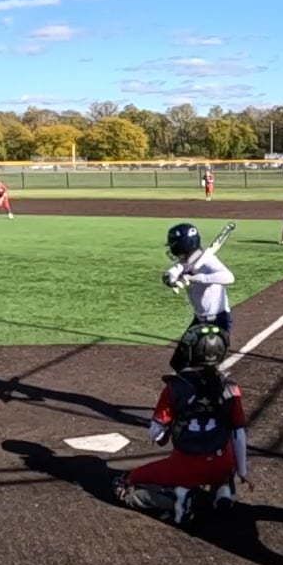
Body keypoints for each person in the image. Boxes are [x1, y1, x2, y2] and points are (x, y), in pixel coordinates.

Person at [114, 324, 248, 526]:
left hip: (186, 465)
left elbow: (156, 432)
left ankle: (178, 498)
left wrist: (165, 433)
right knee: (226, 433)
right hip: (223, 464)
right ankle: (224, 489)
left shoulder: (176, 386)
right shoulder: (231, 388)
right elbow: (239, 433)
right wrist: (242, 472)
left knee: (126, 483)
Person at [162, 222, 235, 339]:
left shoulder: (209, 260)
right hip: (199, 319)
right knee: (183, 350)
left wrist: (195, 278)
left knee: (212, 348)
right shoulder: (184, 263)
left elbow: (229, 277)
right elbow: (169, 274)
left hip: (219, 319)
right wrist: (173, 282)